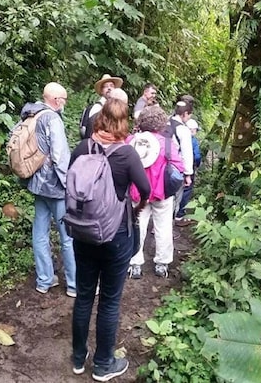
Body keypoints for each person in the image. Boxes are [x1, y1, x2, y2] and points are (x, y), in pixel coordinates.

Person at [70, 99, 151, 380]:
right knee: (109, 301)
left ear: (100, 118)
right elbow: (145, 189)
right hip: (116, 235)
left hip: (82, 233)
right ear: (124, 123)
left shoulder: (81, 148)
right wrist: (134, 208)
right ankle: (104, 365)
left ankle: (79, 358)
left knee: (83, 296)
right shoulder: (127, 154)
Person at [19, 82, 76, 296]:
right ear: (56, 100)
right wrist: (69, 184)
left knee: (40, 233)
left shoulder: (30, 114)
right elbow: (60, 156)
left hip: (36, 184)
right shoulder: (52, 118)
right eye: (64, 100)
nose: (65, 103)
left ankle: (44, 280)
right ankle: (74, 284)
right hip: (55, 186)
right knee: (68, 236)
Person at [127, 106, 184, 279]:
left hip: (137, 192)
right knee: (164, 226)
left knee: (137, 226)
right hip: (162, 192)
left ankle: (135, 264)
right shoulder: (166, 142)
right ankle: (162, 263)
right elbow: (178, 165)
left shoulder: (131, 140)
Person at [167, 101, 194, 217]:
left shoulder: (164, 123)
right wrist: (188, 174)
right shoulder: (183, 130)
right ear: (185, 113)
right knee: (175, 198)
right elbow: (187, 153)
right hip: (176, 169)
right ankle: (168, 227)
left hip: (160, 166)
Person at [79, 74, 123, 139]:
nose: (109, 88)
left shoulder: (116, 107)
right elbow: (91, 130)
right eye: (106, 86)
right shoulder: (97, 108)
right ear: (101, 91)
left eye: (111, 86)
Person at [175, 118, 202, 224]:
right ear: (192, 130)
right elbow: (197, 156)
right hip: (188, 169)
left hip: (175, 167)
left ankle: (172, 214)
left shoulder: (176, 136)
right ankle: (180, 214)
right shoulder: (192, 140)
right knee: (186, 190)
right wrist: (197, 165)